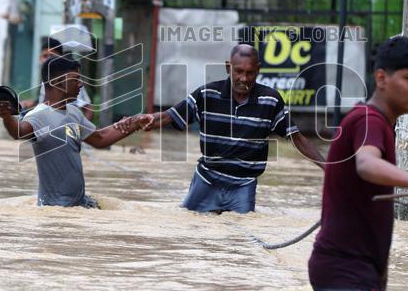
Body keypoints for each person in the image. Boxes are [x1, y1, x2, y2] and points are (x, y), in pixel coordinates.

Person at [308, 36, 408, 291]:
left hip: (356, 273)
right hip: (345, 272)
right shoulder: (369, 120)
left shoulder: (376, 121)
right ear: (382, 78)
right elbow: (366, 163)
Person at [139, 44, 325, 214]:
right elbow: (168, 116)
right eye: (238, 71)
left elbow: (297, 139)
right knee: (189, 226)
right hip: (206, 181)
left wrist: (329, 169)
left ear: (258, 70)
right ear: (229, 67)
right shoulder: (207, 95)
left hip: (243, 186)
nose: (244, 79)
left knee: (242, 236)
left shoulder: (271, 101)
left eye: (250, 73)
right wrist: (142, 121)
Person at [0, 55, 147, 208]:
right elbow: (18, 132)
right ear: (57, 82)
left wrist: (135, 123)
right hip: (54, 209)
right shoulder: (38, 115)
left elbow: (101, 138)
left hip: (80, 205)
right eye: (75, 79)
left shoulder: (74, 113)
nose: (80, 84)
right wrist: (6, 116)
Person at [22, 36, 94, 120]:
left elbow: (88, 109)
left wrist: (80, 130)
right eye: (45, 56)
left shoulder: (70, 80)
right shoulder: (45, 79)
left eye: (52, 56)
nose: (48, 60)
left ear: (60, 58)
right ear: (40, 58)